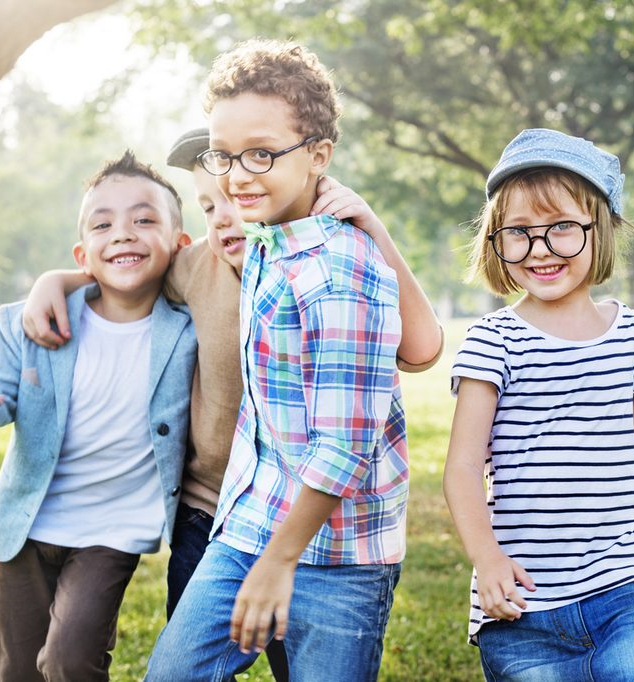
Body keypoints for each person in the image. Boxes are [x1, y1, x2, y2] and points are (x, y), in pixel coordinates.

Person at [22, 129, 443, 680]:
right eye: (206, 206)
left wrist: (373, 227)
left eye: (233, 200)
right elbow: (127, 269)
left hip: (316, 520)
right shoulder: (196, 268)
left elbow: (423, 348)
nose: (222, 217)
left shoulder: (327, 267)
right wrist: (57, 279)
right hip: (213, 518)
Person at [140, 39, 427, 680]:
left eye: (262, 154)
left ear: (319, 156)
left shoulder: (340, 268)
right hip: (250, 523)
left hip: (337, 553)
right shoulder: (267, 241)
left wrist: (279, 562)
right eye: (225, 154)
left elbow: (345, 444)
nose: (237, 175)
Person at [0, 152, 197, 682]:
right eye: (104, 224)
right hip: (26, 524)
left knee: (70, 660)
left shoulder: (189, 331)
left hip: (113, 530)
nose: (123, 234)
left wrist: (61, 277)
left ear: (180, 245)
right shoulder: (31, 320)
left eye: (145, 220)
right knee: (16, 670)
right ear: (84, 254)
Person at [443, 128, 634, 681]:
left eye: (562, 228)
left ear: (601, 229)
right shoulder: (494, 340)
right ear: (495, 241)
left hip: (622, 586)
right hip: (522, 602)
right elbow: (464, 466)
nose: (540, 249)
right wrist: (487, 559)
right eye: (518, 233)